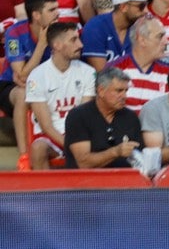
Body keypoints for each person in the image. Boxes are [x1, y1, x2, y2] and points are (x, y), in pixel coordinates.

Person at [22, 21, 95, 169]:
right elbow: (46, 126)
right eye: (73, 40)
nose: (80, 45)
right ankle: (43, 192)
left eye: (78, 38)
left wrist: (77, 144)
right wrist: (69, 145)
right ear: (57, 45)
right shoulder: (37, 76)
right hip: (50, 137)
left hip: (80, 135)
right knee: (38, 148)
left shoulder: (88, 72)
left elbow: (85, 116)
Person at [62, 64, 144, 169]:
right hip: (85, 182)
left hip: (124, 182)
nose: (124, 96)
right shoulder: (78, 116)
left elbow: (140, 157)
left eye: (125, 91)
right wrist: (116, 151)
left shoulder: (130, 117)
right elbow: (83, 163)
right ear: (101, 91)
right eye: (119, 91)